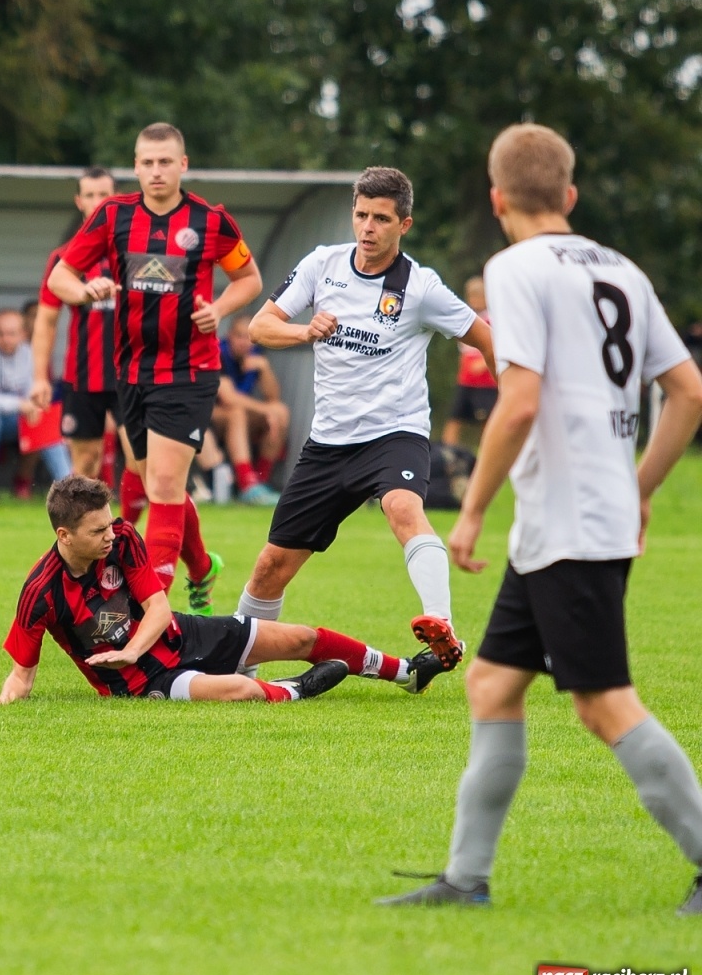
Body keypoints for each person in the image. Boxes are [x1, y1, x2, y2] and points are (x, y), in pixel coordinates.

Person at [379, 125, 702, 913]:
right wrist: (642, 487)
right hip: (577, 517)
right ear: (570, 195)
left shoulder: (515, 268)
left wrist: (471, 510)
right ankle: (466, 880)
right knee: (490, 683)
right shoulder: (621, 269)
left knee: (602, 702)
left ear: (497, 202)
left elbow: (519, 399)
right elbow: (687, 390)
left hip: (570, 521)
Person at [240, 166, 492, 673]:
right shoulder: (322, 264)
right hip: (329, 442)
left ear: (405, 224)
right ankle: (235, 663)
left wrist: (515, 404)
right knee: (270, 568)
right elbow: (259, 326)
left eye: (381, 217)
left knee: (402, 507)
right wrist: (304, 332)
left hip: (393, 434)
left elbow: (484, 337)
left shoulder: (420, 288)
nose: (367, 227)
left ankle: (440, 625)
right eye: (360, 215)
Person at [0, 476, 459, 705]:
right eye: (96, 531)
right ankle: (293, 692)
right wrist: (3, 701)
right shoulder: (40, 592)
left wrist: (131, 648)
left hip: (176, 635)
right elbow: (22, 675)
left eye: (109, 525)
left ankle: (407, 675)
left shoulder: (124, 538)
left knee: (301, 638)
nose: (110, 535)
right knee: (238, 689)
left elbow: (157, 605)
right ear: (64, 536)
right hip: (139, 682)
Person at [47, 122, 263, 610]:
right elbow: (63, 274)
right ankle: (202, 565)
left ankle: (151, 612)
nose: (156, 171)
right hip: (131, 374)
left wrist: (221, 310)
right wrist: (85, 291)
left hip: (189, 371)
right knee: (152, 480)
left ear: (183, 165)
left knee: (165, 486)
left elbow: (249, 278)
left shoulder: (210, 221)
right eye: (146, 162)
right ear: (136, 165)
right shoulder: (112, 216)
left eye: (166, 161)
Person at [30, 166, 119, 481]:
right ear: (79, 201)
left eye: (103, 195)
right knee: (84, 464)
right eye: (90, 195)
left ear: (115, 199)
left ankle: (132, 529)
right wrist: (40, 377)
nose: (97, 202)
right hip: (83, 376)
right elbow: (46, 320)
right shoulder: (63, 259)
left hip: (132, 374)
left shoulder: (133, 251)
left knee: (143, 461)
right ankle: (92, 531)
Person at [0, 308, 72, 496]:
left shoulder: (29, 353)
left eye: (11, 334)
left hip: (18, 420)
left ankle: (69, 486)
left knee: (45, 419)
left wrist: (31, 406)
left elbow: (31, 394)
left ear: (23, 334)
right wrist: (22, 405)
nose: (5, 339)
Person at [213, 315, 288, 504]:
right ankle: (247, 484)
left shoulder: (255, 354)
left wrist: (264, 368)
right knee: (236, 413)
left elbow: (274, 397)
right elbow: (228, 398)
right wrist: (265, 411)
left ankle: (261, 481)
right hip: (211, 416)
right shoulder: (218, 352)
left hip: (241, 415)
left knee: (281, 411)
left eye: (248, 337)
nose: (244, 342)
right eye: (239, 336)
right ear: (229, 336)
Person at [441, 276, 497, 448]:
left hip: (486, 383)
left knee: (487, 422)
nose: (474, 301)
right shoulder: (466, 317)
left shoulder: (492, 319)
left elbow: (498, 344)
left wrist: (482, 364)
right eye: (471, 297)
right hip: (466, 381)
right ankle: (446, 456)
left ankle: (488, 456)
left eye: (479, 297)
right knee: (454, 419)